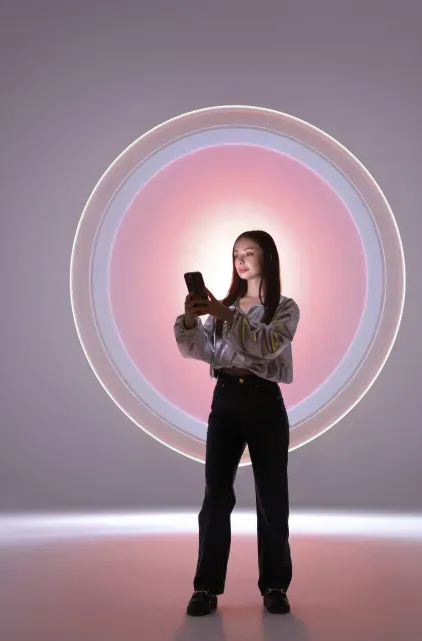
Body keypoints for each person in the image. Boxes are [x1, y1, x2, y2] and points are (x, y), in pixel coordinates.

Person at [174, 230, 300, 616]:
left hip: (264, 401)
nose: (241, 260)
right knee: (216, 495)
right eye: (235, 254)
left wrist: (227, 316)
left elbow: (267, 345)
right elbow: (201, 352)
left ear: (268, 258)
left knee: (272, 496)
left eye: (249, 253)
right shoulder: (224, 305)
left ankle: (275, 585)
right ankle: (206, 588)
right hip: (225, 401)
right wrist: (193, 321)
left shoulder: (284, 307)